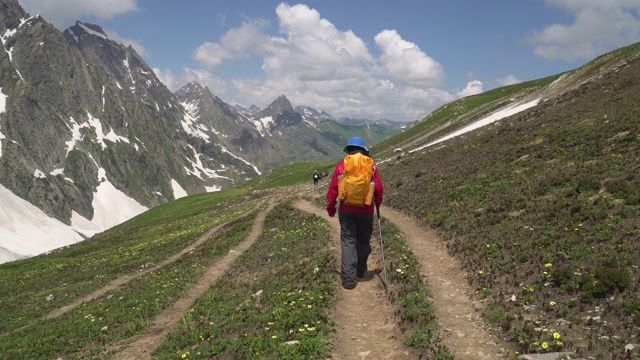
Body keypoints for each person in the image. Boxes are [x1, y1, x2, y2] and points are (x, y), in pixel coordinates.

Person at [326, 136, 384, 290]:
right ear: (363, 150)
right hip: (366, 210)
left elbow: (333, 188)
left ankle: (348, 279)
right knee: (363, 240)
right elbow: (378, 187)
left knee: (348, 241)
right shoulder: (371, 165)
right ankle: (360, 269)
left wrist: (331, 207)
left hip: (346, 210)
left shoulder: (341, 165)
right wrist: (378, 201)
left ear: (349, 150)